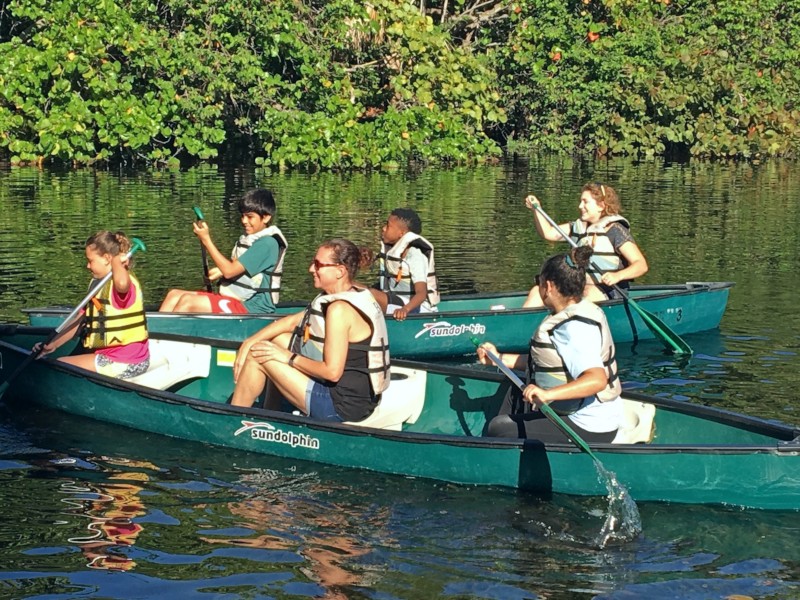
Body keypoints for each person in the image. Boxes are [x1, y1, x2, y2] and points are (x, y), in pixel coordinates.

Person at [230, 238, 390, 423]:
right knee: (277, 340)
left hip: (341, 406)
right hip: (359, 399)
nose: (311, 269)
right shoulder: (348, 294)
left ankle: (233, 423)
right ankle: (272, 414)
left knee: (258, 354)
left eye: (318, 265)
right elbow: (291, 322)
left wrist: (287, 357)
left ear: (340, 271)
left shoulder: (340, 310)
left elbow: (332, 372)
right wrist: (249, 341)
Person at [478, 246, 623, 443]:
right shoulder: (577, 310)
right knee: (513, 390)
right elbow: (548, 362)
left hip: (589, 425)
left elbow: (597, 380)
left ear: (549, 286)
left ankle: (491, 454)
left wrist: (547, 394)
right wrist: (498, 359)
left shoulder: (573, 327)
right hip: (579, 411)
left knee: (500, 428)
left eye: (538, 281)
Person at [35, 231, 150, 379]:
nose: (88, 266)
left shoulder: (120, 286)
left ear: (107, 259)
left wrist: (116, 262)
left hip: (126, 362)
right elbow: (80, 318)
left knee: (60, 365)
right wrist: (54, 344)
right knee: (60, 360)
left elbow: (122, 284)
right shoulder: (99, 285)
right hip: (112, 357)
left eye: (91, 261)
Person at [159, 188, 288, 314]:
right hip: (237, 300)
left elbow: (230, 272)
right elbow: (237, 269)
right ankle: (156, 333)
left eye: (250, 217)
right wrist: (220, 271)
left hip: (254, 308)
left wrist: (206, 240)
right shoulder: (252, 239)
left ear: (266, 218)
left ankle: (168, 333)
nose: (244, 221)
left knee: (188, 302)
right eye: (242, 216)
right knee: (173, 295)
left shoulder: (267, 243)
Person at [522, 182, 648, 307]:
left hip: (609, 290)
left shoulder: (615, 230)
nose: (580, 206)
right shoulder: (578, 227)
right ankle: (521, 324)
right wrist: (536, 209)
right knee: (537, 292)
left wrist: (617, 276)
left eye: (585, 202)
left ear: (601, 205)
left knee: (580, 297)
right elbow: (548, 233)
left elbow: (641, 265)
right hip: (578, 287)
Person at [371, 208, 439, 320]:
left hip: (417, 308)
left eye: (388, 226)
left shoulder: (415, 255)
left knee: (370, 294)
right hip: (397, 301)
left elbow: (422, 293)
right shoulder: (392, 251)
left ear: (401, 233)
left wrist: (405, 309)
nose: (383, 228)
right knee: (356, 289)